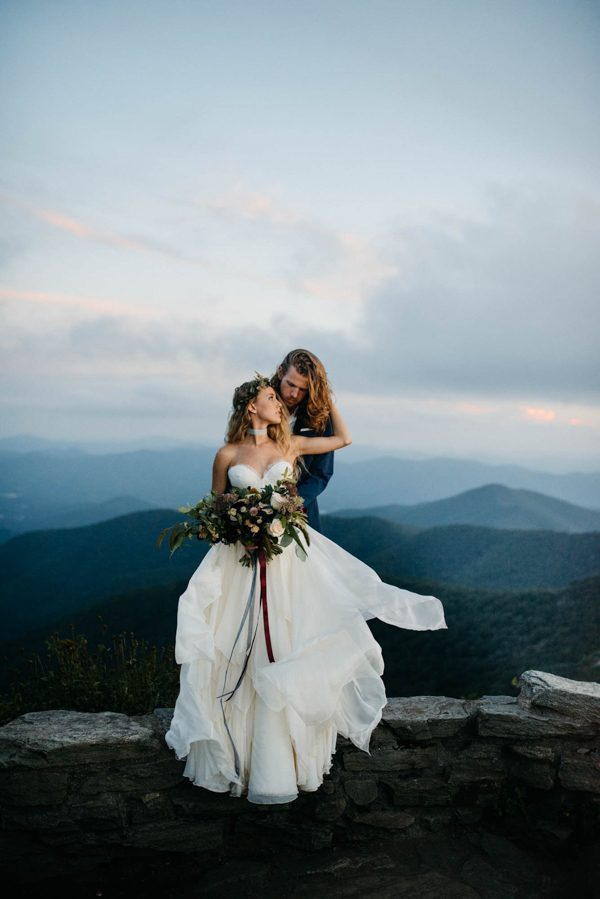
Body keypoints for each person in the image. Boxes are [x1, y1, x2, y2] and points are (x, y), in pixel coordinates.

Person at [165, 375, 446, 805]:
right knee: (236, 648)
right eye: (271, 397)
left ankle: (281, 763)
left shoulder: (290, 447)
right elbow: (214, 515)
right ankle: (238, 754)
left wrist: (326, 396)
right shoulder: (226, 454)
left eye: (280, 398)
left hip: (283, 565)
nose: (279, 404)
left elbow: (344, 439)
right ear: (250, 407)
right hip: (240, 565)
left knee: (285, 641)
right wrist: (238, 525)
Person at [271, 349, 333, 532]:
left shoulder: (319, 417)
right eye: (291, 384)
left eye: (303, 390)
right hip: (253, 514)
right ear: (280, 372)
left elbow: (322, 472)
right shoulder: (258, 405)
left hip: (303, 518)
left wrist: (292, 503)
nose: (294, 394)